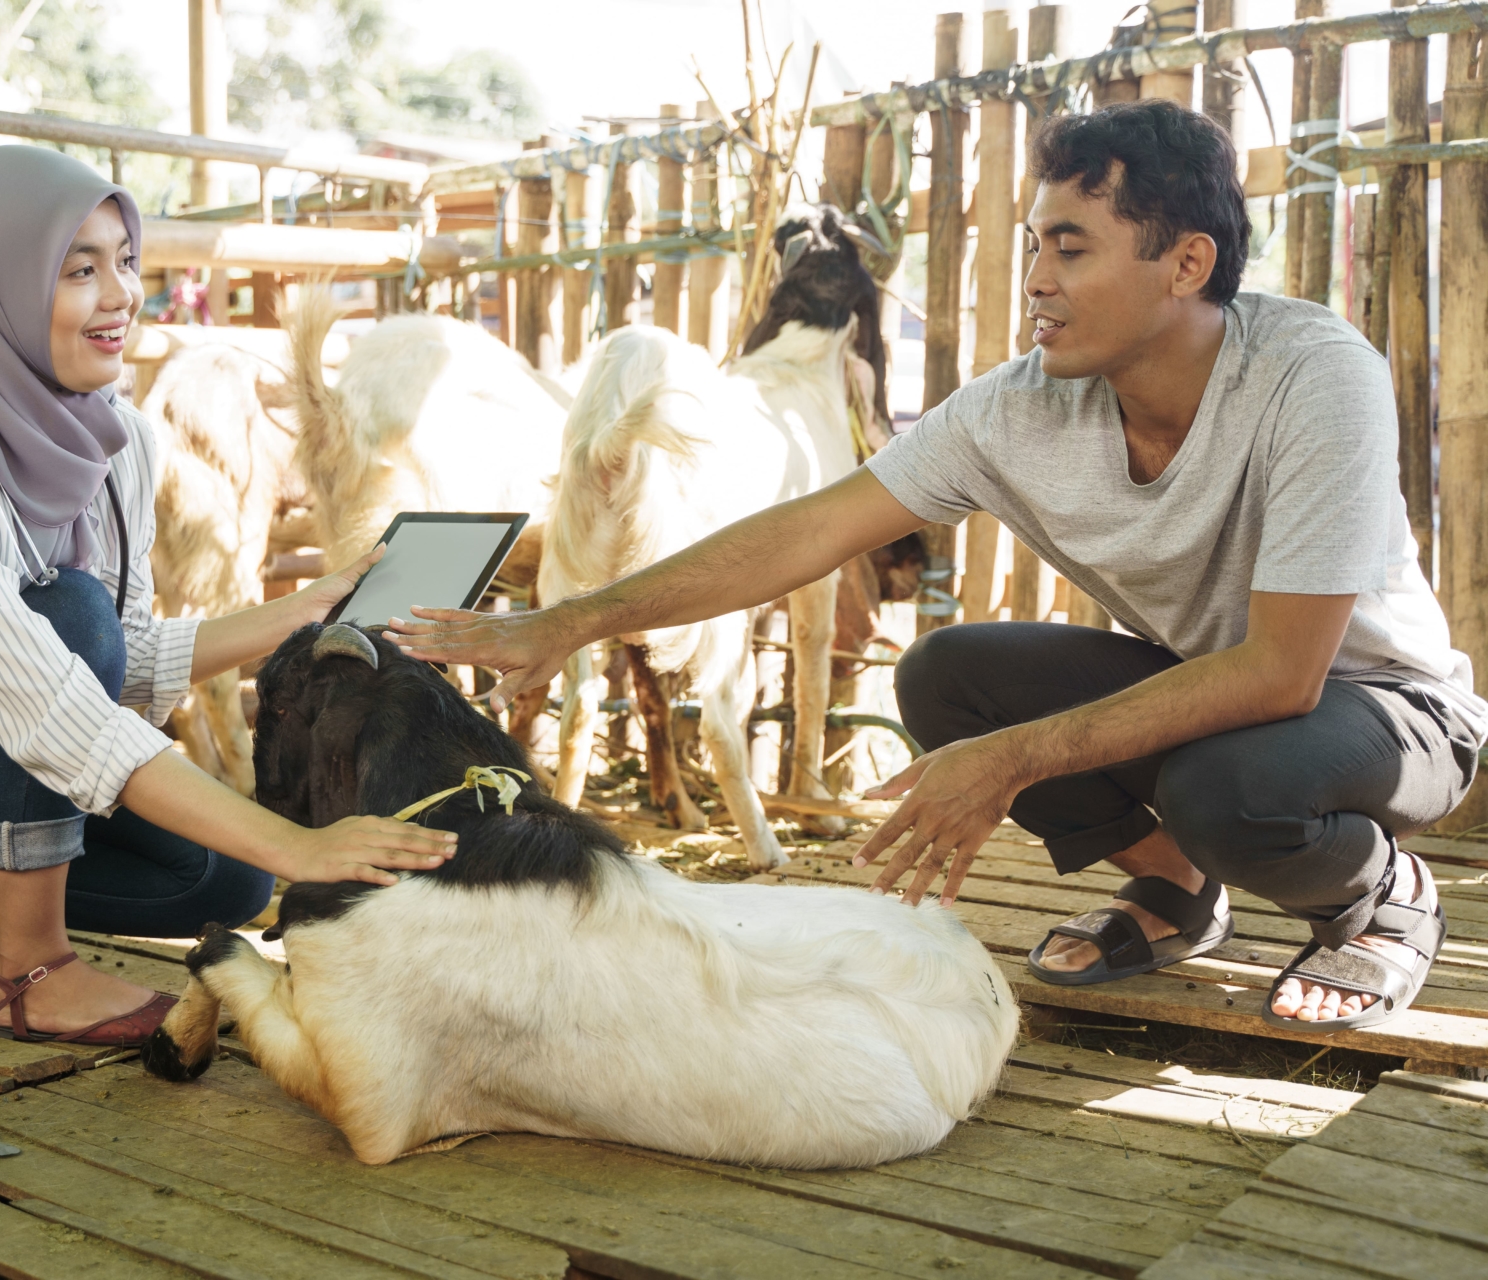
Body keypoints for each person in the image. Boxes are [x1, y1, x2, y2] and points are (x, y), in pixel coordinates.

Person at [390, 100, 1481, 1034]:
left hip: (1384, 707)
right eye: (1033, 246)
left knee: (1228, 785)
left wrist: (1012, 759)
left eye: (1071, 247)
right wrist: (569, 620)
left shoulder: (1311, 372)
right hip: (1216, 696)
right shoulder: (1022, 406)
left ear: (1185, 262)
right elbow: (805, 530)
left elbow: (1285, 673)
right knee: (945, 675)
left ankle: (1383, 896)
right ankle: (1176, 882)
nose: (1036, 282)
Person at [0, 146, 455, 1047]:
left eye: (124, 260)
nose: (119, 294)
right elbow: (54, 699)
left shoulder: (117, 443)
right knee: (67, 609)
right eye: (78, 270)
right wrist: (301, 845)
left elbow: (125, 658)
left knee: (229, 881)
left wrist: (308, 608)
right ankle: (28, 972)